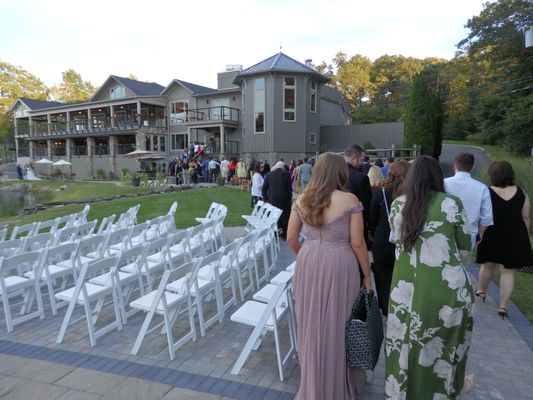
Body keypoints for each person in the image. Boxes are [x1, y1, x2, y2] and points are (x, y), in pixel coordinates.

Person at [385, 156, 474, 399]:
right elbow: (466, 248)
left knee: (404, 345)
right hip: (448, 288)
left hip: (406, 289)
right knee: (445, 347)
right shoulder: (451, 204)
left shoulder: (397, 205)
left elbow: (397, 242)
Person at [287, 152, 372, 400]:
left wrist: (308, 256)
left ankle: (313, 382)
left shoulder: (302, 199)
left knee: (310, 323)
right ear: (341, 172)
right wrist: (367, 276)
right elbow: (358, 243)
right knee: (339, 322)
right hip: (340, 263)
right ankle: (335, 383)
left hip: (309, 261)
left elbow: (291, 238)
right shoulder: (350, 200)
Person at [475, 161, 532, 318]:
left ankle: (481, 291)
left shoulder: (487, 191)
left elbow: (482, 214)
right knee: (507, 272)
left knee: (487, 266)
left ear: (492, 175)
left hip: (492, 233)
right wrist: (525, 236)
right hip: (514, 235)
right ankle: (503, 306)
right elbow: (526, 216)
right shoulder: (522, 192)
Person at [368, 159, 410, 316]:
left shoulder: (382, 192)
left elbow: (371, 217)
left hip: (382, 238)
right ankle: (400, 308)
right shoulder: (412, 193)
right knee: (400, 277)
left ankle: (386, 311)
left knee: (381, 277)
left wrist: (374, 233)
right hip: (404, 240)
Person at [444, 152, 493, 247]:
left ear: (455, 166)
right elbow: (487, 217)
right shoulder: (482, 188)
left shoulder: (443, 183)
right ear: (472, 168)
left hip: (446, 234)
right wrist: (480, 233)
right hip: (469, 236)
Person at [344, 144, 372, 246]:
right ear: (353, 158)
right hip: (356, 224)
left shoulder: (333, 174)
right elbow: (368, 206)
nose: (362, 163)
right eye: (361, 160)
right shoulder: (361, 178)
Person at [262, 161, 292, 239]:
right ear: (282, 167)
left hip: (272, 200)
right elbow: (289, 189)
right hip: (284, 200)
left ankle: (275, 233)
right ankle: (285, 235)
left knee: (274, 217)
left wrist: (265, 200)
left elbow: (264, 188)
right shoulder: (287, 174)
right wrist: (290, 198)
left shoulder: (269, 175)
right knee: (285, 217)